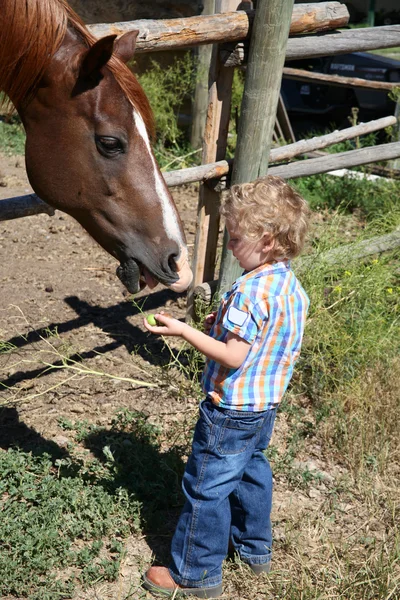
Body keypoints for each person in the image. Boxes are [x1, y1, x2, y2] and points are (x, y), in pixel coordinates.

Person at [142, 175, 311, 598]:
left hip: (230, 409)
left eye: (236, 239)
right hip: (264, 407)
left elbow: (233, 356)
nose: (231, 246)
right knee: (252, 472)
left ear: (268, 240)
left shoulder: (251, 293)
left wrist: (183, 331)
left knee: (206, 488)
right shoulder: (290, 288)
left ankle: (195, 574)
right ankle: (254, 550)